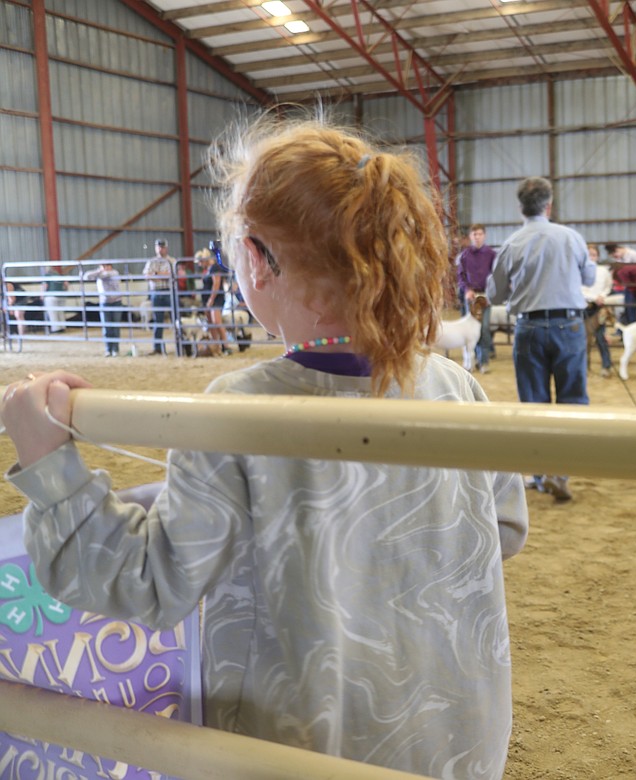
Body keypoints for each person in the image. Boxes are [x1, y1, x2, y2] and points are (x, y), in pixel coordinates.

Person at [1, 116, 528, 780]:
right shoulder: (456, 387)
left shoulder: (238, 407)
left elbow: (149, 582)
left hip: (300, 749)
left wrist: (52, 471)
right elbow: (502, 527)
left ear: (254, 258)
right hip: (455, 739)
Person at [487, 176, 594, 502]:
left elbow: (494, 295)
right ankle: (560, 473)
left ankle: (537, 473)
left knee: (532, 403)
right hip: (569, 326)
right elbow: (589, 277)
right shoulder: (571, 238)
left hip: (530, 328)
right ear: (549, 206)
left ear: (521, 207)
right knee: (572, 401)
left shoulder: (512, 243)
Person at [456, 222, 496, 373]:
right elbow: (460, 276)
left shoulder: (492, 254)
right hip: (472, 297)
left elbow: (496, 275)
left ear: (484, 235)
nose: (477, 237)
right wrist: (467, 290)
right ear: (470, 237)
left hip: (486, 297)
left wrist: (491, 292)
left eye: (479, 234)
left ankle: (484, 362)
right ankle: (469, 362)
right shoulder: (465, 255)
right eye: (474, 234)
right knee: (471, 330)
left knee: (484, 329)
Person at [582, 244, 615, 378]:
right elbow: (579, 289)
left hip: (599, 308)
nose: (591, 257)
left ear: (598, 256)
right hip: (584, 307)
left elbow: (608, 286)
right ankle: (584, 367)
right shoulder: (579, 271)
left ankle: (606, 366)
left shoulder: (603, 271)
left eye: (594, 255)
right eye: (589, 255)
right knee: (583, 340)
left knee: (601, 337)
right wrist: (593, 297)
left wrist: (602, 296)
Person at [82, 262, 126, 356]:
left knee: (115, 327)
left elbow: (107, 274)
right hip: (104, 303)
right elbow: (86, 276)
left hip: (116, 302)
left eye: (107, 266)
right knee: (106, 327)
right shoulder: (99, 274)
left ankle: (115, 349)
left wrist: (99, 273)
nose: (105, 268)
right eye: (103, 266)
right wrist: (99, 271)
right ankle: (108, 349)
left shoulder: (114, 272)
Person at [143, 238, 176, 355]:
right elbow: (146, 275)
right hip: (156, 292)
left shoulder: (171, 261)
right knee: (158, 320)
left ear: (166, 248)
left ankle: (180, 344)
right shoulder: (151, 261)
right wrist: (162, 275)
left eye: (162, 247)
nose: (160, 249)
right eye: (158, 246)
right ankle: (157, 347)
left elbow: (171, 275)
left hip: (169, 291)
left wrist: (155, 274)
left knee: (176, 319)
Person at [196, 247, 229, 351]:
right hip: (208, 299)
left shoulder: (215, 268)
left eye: (200, 262)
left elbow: (216, 284)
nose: (199, 265)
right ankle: (216, 346)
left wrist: (211, 299)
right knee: (211, 323)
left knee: (217, 322)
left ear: (204, 260)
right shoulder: (208, 270)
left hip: (215, 298)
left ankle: (225, 346)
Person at [41, 264, 71, 333]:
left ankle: (56, 329)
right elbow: (66, 285)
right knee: (60, 312)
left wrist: (42, 295)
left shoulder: (47, 276)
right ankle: (63, 327)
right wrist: (65, 291)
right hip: (62, 296)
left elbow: (45, 286)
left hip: (51, 296)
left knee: (52, 313)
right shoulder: (59, 276)